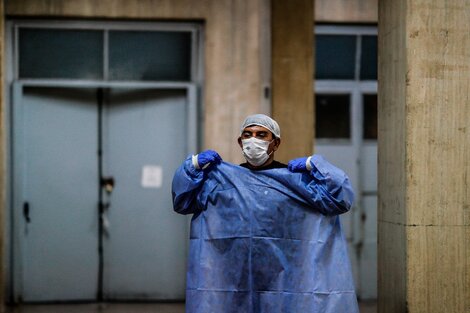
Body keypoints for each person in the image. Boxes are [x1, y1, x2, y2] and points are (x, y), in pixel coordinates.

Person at [172, 114, 359, 313]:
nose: (253, 140)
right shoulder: (220, 181)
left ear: (275, 143)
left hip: (285, 273)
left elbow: (341, 198)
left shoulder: (295, 182)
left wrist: (316, 165)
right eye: (248, 134)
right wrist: (192, 167)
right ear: (240, 141)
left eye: (262, 135)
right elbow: (182, 201)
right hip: (234, 272)